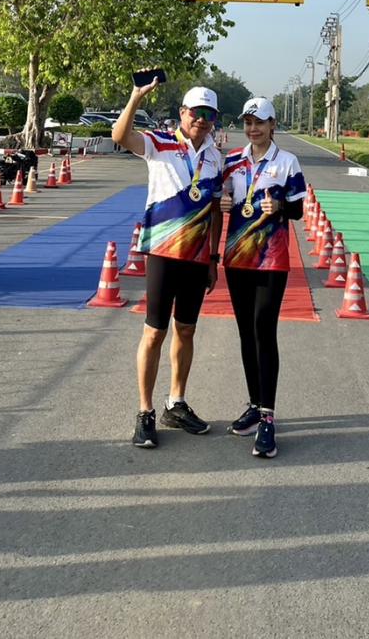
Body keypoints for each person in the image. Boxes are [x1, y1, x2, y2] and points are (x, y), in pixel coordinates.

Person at [113, 82, 224, 449]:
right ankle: (145, 412)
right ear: (182, 113)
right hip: (162, 253)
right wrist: (136, 97)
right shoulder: (159, 143)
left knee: (187, 330)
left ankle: (175, 403)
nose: (202, 120)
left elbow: (214, 211)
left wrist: (213, 258)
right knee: (154, 332)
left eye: (209, 114)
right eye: (196, 112)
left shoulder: (215, 157)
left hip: (197, 259)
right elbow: (120, 136)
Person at [221, 97, 306, 459]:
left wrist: (281, 206)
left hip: (271, 259)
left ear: (273, 125)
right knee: (245, 332)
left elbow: (299, 210)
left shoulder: (287, 162)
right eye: (248, 122)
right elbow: (221, 196)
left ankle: (268, 417)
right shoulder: (232, 161)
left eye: (259, 122)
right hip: (237, 257)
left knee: (263, 329)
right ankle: (255, 405)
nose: (253, 129)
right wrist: (223, 202)